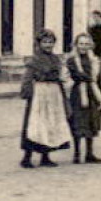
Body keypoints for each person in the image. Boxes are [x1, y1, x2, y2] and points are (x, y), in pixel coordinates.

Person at [19, 29, 71, 168]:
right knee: (35, 124)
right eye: (45, 42)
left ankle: (45, 156)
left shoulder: (56, 59)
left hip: (53, 93)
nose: (48, 45)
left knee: (50, 123)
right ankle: (27, 157)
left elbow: (61, 76)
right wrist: (27, 92)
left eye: (51, 42)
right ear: (39, 43)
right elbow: (28, 77)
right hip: (39, 93)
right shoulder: (34, 60)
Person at [66, 31, 101, 164]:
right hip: (78, 93)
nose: (83, 47)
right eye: (81, 44)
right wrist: (89, 78)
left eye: (86, 44)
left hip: (92, 92)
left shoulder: (94, 60)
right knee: (78, 122)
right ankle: (77, 153)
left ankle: (89, 153)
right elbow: (76, 75)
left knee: (92, 120)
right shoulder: (72, 59)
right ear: (76, 45)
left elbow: (99, 77)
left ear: (90, 45)